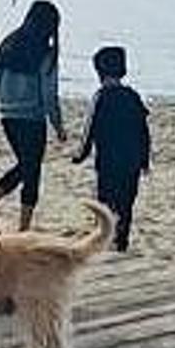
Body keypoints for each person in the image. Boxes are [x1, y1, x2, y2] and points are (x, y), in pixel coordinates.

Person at [0, 0, 65, 233]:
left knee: (27, 166)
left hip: (8, 117)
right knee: (30, 169)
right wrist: (58, 126)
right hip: (32, 118)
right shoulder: (46, 54)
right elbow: (49, 94)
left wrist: (3, 102)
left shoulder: (8, 44)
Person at [71, 44, 150, 253]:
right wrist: (144, 159)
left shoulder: (101, 97)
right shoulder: (132, 96)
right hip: (131, 160)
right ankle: (121, 241)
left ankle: (104, 239)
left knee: (105, 202)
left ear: (99, 72)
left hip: (108, 161)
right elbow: (143, 130)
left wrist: (80, 154)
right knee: (126, 203)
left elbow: (89, 129)